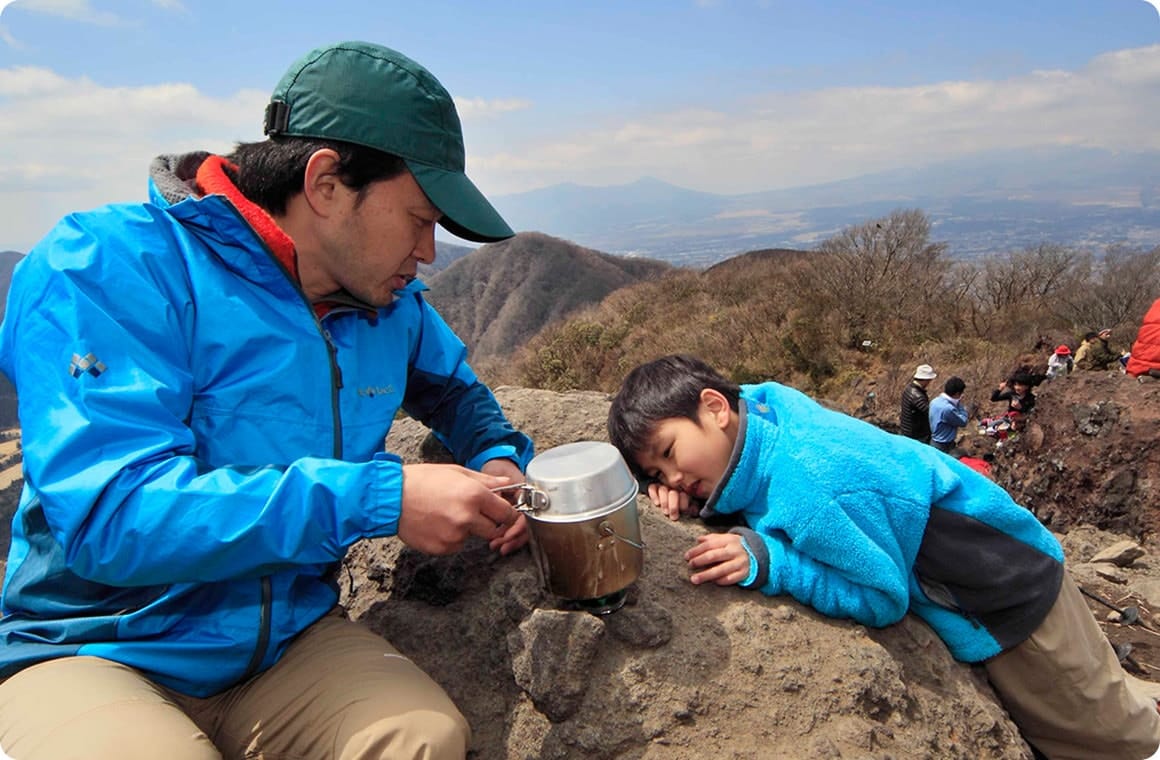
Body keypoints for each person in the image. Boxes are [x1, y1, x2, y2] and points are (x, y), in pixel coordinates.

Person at [0, 41, 535, 760]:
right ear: (325, 184)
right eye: (419, 217)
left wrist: (497, 455)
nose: (430, 250)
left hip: (283, 639)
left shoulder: (384, 304)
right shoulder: (107, 266)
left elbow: (453, 390)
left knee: (420, 740)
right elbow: (110, 515)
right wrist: (378, 498)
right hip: (95, 645)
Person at [607, 354, 1160, 760]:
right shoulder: (763, 408)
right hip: (1007, 559)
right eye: (656, 474)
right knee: (1101, 698)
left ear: (714, 407)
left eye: (671, 455)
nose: (674, 478)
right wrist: (686, 486)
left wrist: (772, 563)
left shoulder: (811, 484)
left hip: (1009, 600)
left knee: (1103, 735)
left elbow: (881, 597)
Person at [928, 376, 970, 453]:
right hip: (944, 445)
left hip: (934, 441)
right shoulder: (948, 408)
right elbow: (963, 422)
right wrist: (959, 404)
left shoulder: (934, 401)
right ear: (957, 393)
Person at [899, 364, 936, 443]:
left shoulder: (908, 389)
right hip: (916, 435)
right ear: (925, 380)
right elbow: (929, 413)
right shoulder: (917, 396)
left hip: (906, 431)